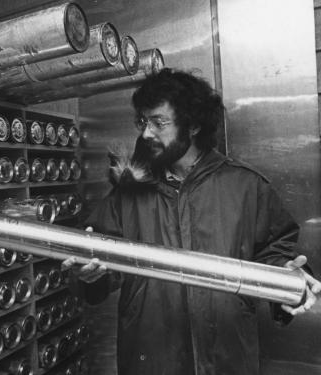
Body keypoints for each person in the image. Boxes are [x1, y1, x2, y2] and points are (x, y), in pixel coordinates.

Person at [62, 68, 321, 375]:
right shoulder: (129, 194)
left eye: (159, 122)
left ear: (194, 125)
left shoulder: (245, 186)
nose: (146, 133)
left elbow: (276, 252)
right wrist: (90, 275)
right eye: (144, 122)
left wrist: (290, 279)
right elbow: (98, 260)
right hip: (152, 360)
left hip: (226, 358)